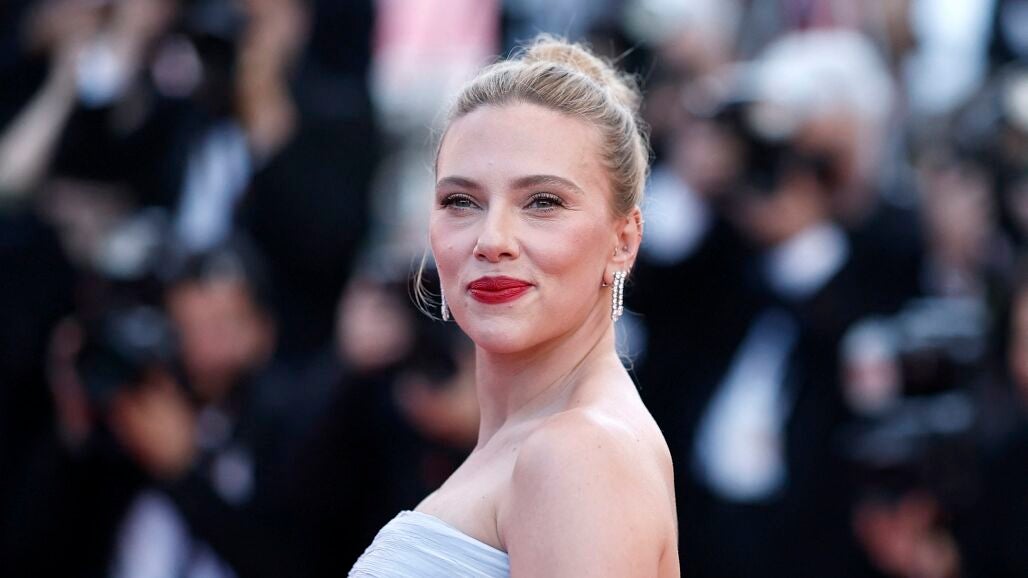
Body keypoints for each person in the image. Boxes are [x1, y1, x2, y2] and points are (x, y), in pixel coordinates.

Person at [349, 35, 679, 577]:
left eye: (542, 202)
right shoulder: (539, 444)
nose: (491, 240)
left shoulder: (578, 453)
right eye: (461, 201)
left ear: (624, 240)